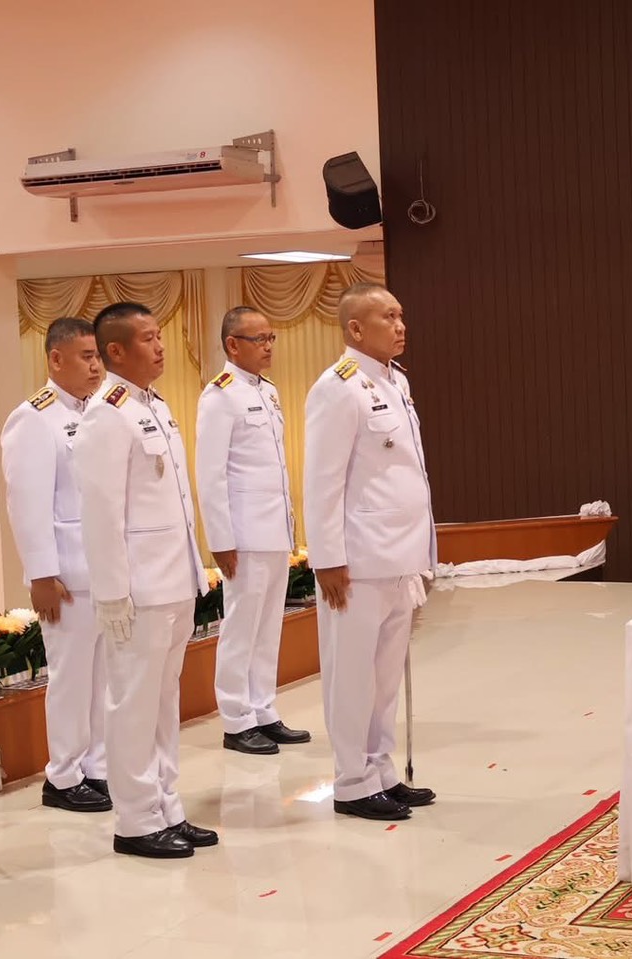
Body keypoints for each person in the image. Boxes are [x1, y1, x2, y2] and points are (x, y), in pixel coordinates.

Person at [75, 302, 217, 859]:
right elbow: (101, 512)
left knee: (162, 702)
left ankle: (166, 806)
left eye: (161, 336)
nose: (160, 347)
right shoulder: (106, 414)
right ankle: (135, 820)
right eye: (149, 338)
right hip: (137, 589)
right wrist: (113, 594)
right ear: (115, 350)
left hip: (172, 580)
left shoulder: (152, 405)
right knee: (133, 704)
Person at [304, 282, 438, 821]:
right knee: (352, 674)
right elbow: (322, 480)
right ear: (356, 328)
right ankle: (352, 782)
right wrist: (328, 559)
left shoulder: (395, 380)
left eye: (401, 315)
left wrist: (423, 554)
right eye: (388, 317)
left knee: (385, 676)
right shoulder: (338, 388)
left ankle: (380, 770)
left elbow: (408, 473)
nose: (400, 325)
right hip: (357, 560)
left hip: (398, 555)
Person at [0, 317, 113, 815]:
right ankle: (63, 776)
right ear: (55, 359)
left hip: (104, 570)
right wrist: (41, 574)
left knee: (103, 678)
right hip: (66, 575)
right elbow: (26, 504)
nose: (95, 366)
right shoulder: (34, 418)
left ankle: (97, 766)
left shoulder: (102, 410)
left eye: (98, 356)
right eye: (86, 356)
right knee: (70, 679)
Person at [196, 307, 310, 756]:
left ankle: (264, 709)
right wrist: (221, 540)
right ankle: (236, 718)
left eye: (270, 338)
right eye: (258, 339)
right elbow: (211, 474)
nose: (267, 346)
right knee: (241, 626)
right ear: (232, 344)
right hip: (243, 533)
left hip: (273, 527)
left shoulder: (268, 391)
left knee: (268, 626)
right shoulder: (219, 396)